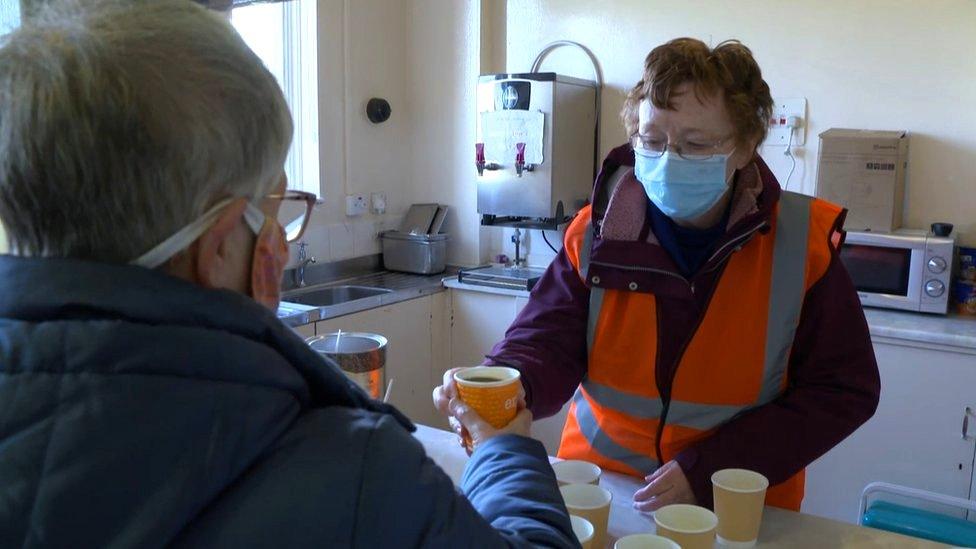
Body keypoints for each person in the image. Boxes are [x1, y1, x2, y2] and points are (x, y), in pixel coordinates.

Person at [0, 1, 576, 547]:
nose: (279, 240)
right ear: (222, 246)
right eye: (274, 211)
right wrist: (507, 453)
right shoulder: (354, 475)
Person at [436, 38, 880, 513]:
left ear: (746, 145)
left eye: (697, 144)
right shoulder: (596, 233)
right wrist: (508, 384)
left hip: (734, 501)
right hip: (601, 492)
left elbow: (843, 388)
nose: (669, 160)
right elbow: (546, 339)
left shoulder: (801, 243)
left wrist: (712, 469)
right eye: (651, 141)